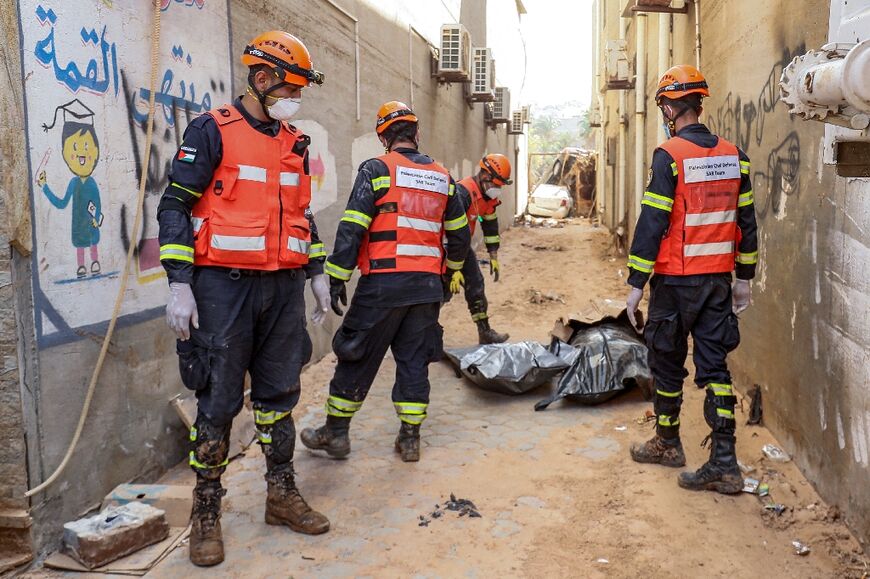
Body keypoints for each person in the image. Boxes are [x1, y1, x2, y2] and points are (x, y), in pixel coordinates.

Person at [157, 31, 332, 566]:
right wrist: (179, 281)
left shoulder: (295, 141)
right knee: (217, 400)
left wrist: (318, 269)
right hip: (221, 289)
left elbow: (301, 214)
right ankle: (205, 513)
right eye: (289, 88)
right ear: (262, 80)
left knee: (280, 393)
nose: (293, 99)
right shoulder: (212, 131)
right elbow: (173, 207)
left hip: (281, 289)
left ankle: (280, 493)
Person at [300, 101, 471, 463]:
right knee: (414, 358)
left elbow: (353, 227)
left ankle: (336, 434)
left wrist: (336, 277)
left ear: (383, 138)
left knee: (355, 352)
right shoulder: (444, 178)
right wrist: (450, 272)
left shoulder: (377, 169)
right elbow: (458, 235)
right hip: (426, 287)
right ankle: (410, 439)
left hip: (383, 284)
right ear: (416, 133)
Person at [625, 65, 758, 494]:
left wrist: (635, 283)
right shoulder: (734, 156)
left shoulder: (669, 156)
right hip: (717, 282)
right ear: (698, 103)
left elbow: (652, 223)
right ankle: (725, 464)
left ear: (668, 106)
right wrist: (745, 278)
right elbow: (747, 223)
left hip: (675, 283)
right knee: (715, 368)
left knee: (666, 362)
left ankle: (667, 443)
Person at [449, 154, 512, 344]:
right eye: (496, 184)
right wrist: (453, 269)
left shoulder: (486, 197)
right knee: (439, 294)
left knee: (475, 284)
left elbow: (490, 226)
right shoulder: (463, 193)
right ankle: (427, 337)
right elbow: (449, 231)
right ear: (485, 175)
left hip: (462, 246)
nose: (498, 189)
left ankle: (484, 332)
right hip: (446, 246)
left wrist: (493, 255)